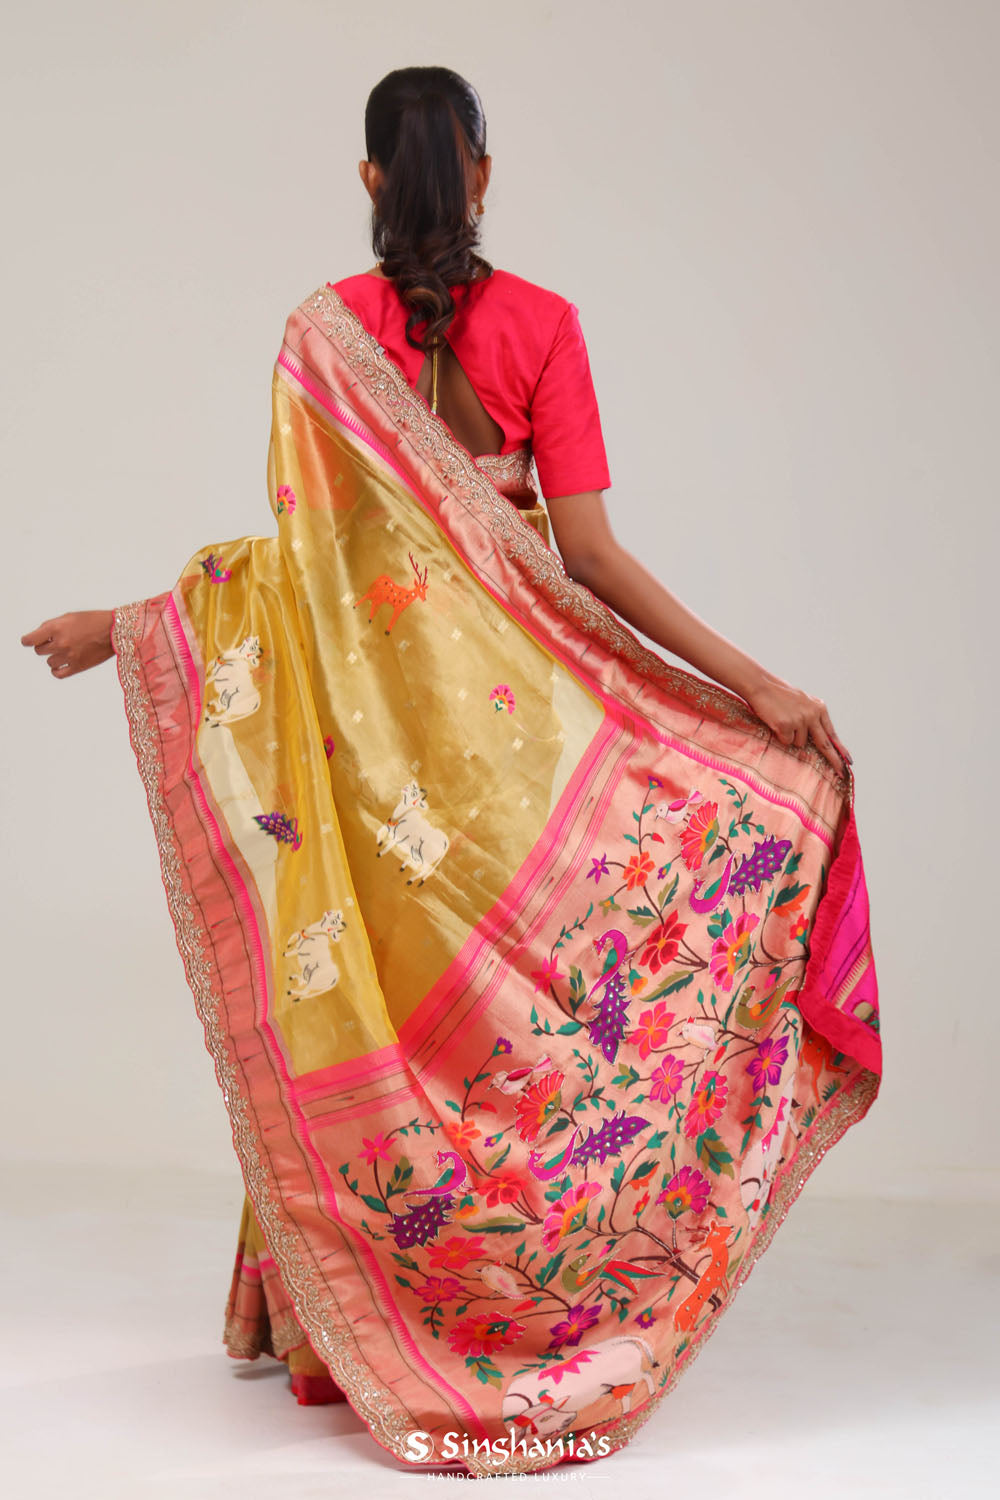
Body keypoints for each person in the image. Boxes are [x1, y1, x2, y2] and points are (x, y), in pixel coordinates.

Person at [20, 66, 881, 1477]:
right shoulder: (543, 325)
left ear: (370, 179)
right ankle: (530, 1308)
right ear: (482, 173)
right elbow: (587, 559)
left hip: (376, 760)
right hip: (522, 740)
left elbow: (303, 578)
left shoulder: (320, 335)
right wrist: (757, 693)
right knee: (521, 1040)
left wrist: (131, 626)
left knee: (352, 1003)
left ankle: (339, 1334)